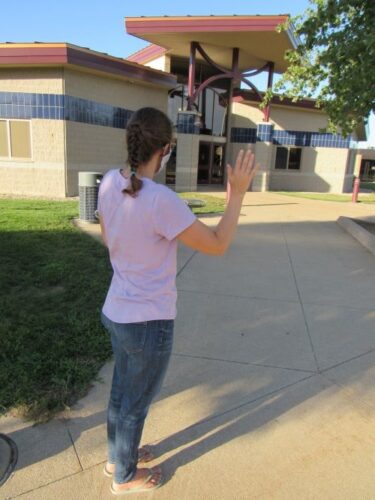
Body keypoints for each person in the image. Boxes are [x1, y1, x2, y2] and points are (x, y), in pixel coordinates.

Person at [98, 107, 258, 495]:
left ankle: (118, 457)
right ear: (165, 148)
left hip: (116, 312)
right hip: (148, 323)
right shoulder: (161, 200)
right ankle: (124, 477)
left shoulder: (107, 182)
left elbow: (108, 239)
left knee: (121, 393)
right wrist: (236, 195)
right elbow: (218, 244)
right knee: (134, 402)